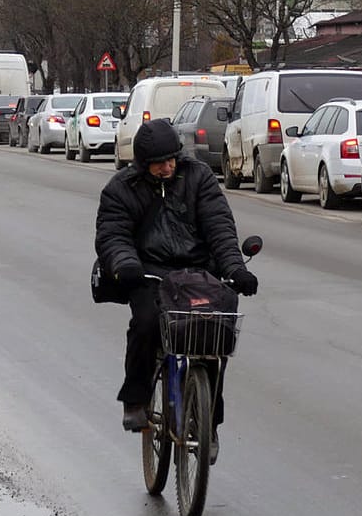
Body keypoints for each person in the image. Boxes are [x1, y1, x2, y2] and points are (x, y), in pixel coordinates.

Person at [95, 119, 257, 437]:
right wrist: (125, 264)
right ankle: (136, 400)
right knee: (146, 322)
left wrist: (236, 269)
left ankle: (208, 417)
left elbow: (219, 228)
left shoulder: (199, 177)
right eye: (158, 164)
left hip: (199, 272)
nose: (167, 167)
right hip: (149, 274)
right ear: (143, 164)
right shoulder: (122, 189)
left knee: (214, 329)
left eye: (171, 160)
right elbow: (113, 235)